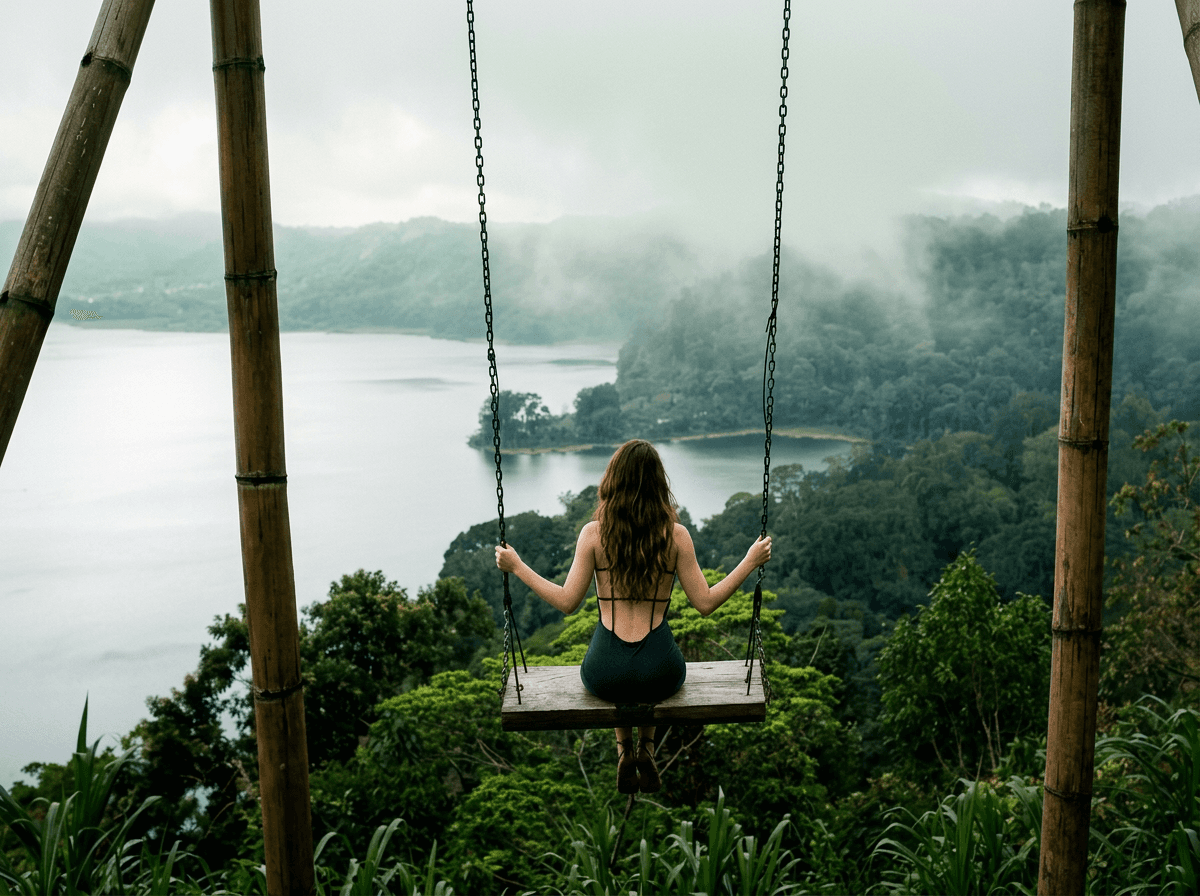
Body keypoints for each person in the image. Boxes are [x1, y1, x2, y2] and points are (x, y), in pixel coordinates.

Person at [495, 439, 771, 794]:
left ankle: (624, 749)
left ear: (612, 480)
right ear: (659, 484)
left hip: (605, 671)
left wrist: (517, 566)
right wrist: (749, 561)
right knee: (646, 675)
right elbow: (705, 603)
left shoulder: (593, 534)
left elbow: (566, 602)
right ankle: (647, 747)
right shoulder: (676, 537)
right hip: (661, 671)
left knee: (620, 678)